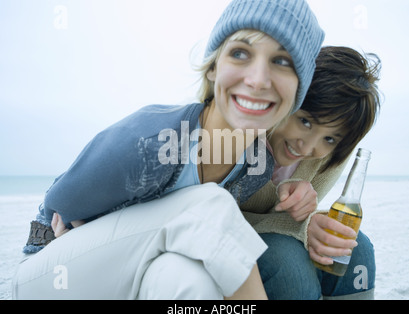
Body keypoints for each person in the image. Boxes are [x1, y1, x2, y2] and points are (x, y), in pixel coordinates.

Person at [12, 0, 324, 299]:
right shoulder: (151, 142)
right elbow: (55, 209)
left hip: (137, 271)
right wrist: (82, 250)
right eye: (240, 53)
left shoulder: (256, 166)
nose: (257, 80)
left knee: (190, 279)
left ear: (299, 88)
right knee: (209, 206)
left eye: (282, 62)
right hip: (50, 273)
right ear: (214, 66)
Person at [241, 46, 382, 299]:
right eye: (305, 122)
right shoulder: (243, 133)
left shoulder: (331, 155)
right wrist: (303, 227)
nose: (306, 147)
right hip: (231, 236)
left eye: (329, 138)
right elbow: (213, 215)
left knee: (356, 248)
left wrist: (308, 223)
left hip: (270, 233)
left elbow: (295, 220)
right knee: (288, 262)